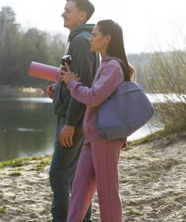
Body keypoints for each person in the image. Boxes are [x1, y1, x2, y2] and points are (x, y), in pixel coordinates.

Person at [60, 19, 132, 222]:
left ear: (107, 39)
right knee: (79, 189)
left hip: (106, 137)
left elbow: (94, 97)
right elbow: (93, 95)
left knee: (108, 193)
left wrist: (73, 84)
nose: (90, 38)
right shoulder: (106, 66)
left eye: (94, 34)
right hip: (93, 134)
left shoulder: (114, 68)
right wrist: (68, 85)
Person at [47, 0, 99, 222]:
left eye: (68, 10)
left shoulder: (80, 41)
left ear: (82, 16)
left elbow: (85, 84)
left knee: (58, 174)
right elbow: (74, 80)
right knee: (75, 177)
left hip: (73, 120)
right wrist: (58, 88)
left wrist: (70, 123)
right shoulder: (81, 39)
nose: (63, 13)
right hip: (74, 116)